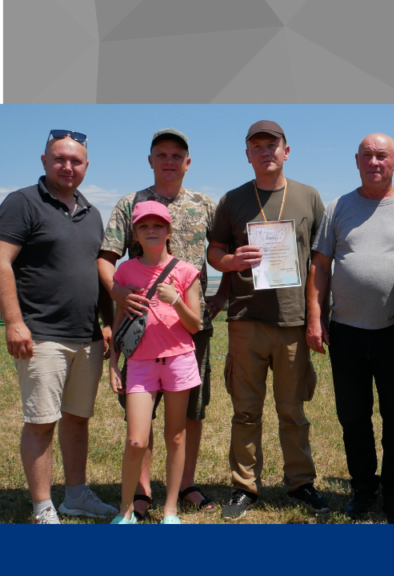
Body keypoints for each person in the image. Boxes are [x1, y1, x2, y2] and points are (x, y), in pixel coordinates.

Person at [98, 128, 227, 520]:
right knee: (142, 414)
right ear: (150, 160)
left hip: (190, 328)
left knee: (191, 411)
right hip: (142, 331)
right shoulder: (131, 203)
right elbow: (106, 257)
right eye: (162, 154)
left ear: (187, 162)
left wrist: (220, 297)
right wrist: (119, 293)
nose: (169, 160)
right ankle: (142, 491)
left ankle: (185, 485)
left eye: (176, 155)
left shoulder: (205, 204)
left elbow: (222, 252)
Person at [208, 120, 328, 520]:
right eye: (256, 146)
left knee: (293, 411)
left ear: (286, 151)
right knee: (246, 410)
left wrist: (316, 318)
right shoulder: (232, 200)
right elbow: (214, 251)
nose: (265, 152)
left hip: (293, 320)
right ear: (247, 155)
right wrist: (231, 260)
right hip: (247, 318)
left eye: (271, 145)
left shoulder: (309, 197)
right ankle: (244, 487)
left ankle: (301, 483)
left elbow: (319, 262)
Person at [0, 129, 119, 524]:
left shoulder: (92, 212)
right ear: (44, 161)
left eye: (76, 161)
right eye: (59, 159)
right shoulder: (22, 203)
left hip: (86, 337)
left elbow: (98, 273)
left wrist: (107, 323)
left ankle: (76, 495)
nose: (68, 166)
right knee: (41, 422)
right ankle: (42, 507)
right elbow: (1, 261)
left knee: (78, 418)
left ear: (86, 166)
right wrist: (14, 322)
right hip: (41, 334)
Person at [307, 133, 394, 523]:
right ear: (357, 160)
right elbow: (320, 266)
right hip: (347, 331)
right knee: (353, 418)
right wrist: (314, 318)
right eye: (367, 155)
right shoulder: (338, 207)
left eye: (382, 156)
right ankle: (362, 488)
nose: (375, 162)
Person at [108, 202, 203, 525]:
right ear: (134, 234)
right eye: (144, 226)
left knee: (175, 437)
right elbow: (120, 320)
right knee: (136, 440)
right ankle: (125, 511)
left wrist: (175, 300)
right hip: (140, 364)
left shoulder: (186, 271)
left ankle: (170, 510)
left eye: (158, 225)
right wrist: (113, 364)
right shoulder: (125, 272)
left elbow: (195, 325)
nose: (151, 230)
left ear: (169, 231)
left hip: (179, 360)